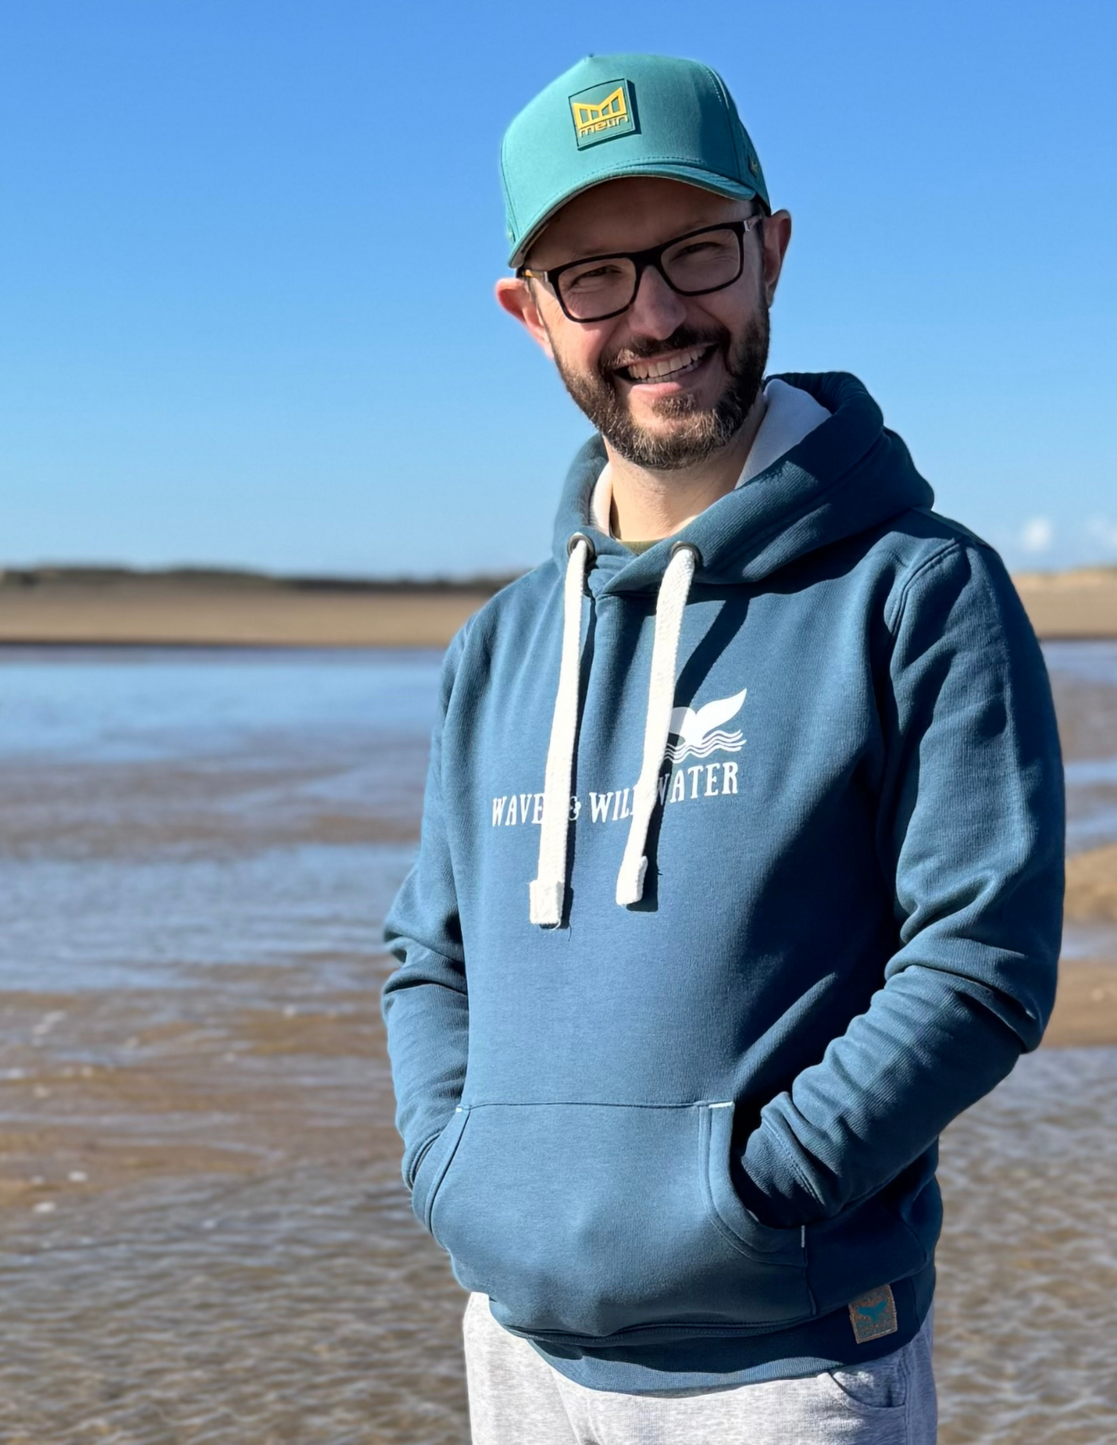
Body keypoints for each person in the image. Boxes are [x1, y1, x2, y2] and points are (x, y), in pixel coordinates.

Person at [379, 51, 1064, 1445]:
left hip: (790, 1370)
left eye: (694, 252)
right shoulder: (503, 647)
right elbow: (427, 954)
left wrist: (753, 1198)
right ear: (531, 314)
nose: (656, 315)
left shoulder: (918, 591)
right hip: (517, 1353)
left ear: (771, 251)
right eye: (595, 278)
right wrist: (458, 1170)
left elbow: (981, 966)